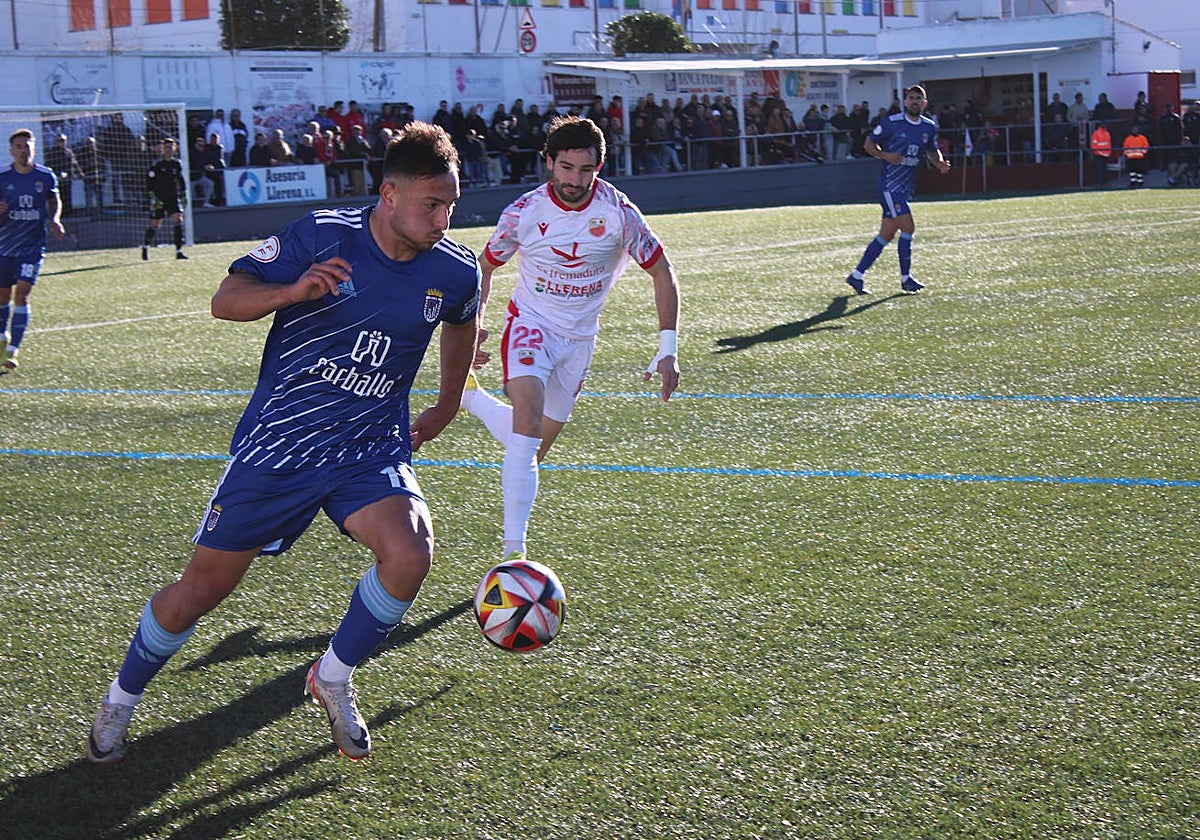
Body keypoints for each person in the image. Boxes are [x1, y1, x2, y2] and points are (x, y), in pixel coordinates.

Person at [85, 121, 480, 764]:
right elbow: (226, 299)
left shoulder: (455, 270)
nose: (443, 219)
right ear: (389, 195)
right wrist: (292, 292)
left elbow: (463, 323)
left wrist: (445, 400)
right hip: (283, 446)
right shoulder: (321, 234)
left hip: (367, 449)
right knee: (201, 591)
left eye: (450, 206)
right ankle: (122, 697)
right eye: (431, 205)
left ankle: (332, 675)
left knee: (410, 552)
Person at [459, 115, 680, 561]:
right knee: (527, 418)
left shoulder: (619, 214)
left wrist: (667, 348)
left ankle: (475, 402)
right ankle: (512, 557)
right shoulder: (523, 213)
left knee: (533, 444)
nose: (575, 179)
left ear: (600, 165)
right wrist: (476, 321)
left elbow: (662, 271)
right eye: (566, 168)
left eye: (586, 169)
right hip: (530, 326)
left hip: (580, 341)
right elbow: (485, 265)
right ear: (548, 162)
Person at [844, 85, 950, 296]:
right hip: (890, 187)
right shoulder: (892, 123)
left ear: (925, 103)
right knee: (908, 227)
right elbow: (868, 144)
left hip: (905, 187)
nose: (914, 101)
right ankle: (906, 279)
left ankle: (856, 276)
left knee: (886, 234)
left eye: (918, 99)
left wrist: (939, 163)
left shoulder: (928, 127)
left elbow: (931, 149)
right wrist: (886, 156)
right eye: (911, 98)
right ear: (904, 102)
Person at [0, 129, 66, 373]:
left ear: (33, 149)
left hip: (32, 247)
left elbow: (54, 200)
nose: (22, 150)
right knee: (3, 296)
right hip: (4, 246)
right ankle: (2, 336)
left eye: (27, 146)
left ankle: (13, 349)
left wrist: (55, 219)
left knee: (23, 295)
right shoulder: (2, 177)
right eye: (18, 146)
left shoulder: (45, 176)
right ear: (11, 150)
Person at [142, 137, 188, 260]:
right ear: (163, 149)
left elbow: (180, 179)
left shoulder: (176, 164)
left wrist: (184, 194)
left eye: (171, 147)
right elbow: (149, 181)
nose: (169, 150)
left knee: (178, 220)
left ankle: (179, 251)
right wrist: (152, 197)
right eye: (166, 147)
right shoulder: (157, 164)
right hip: (159, 198)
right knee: (155, 224)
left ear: (175, 149)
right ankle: (145, 246)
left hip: (173, 197)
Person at [44, 134, 81, 217]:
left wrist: (79, 173)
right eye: (59, 141)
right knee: (57, 197)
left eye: (63, 141)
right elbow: (48, 166)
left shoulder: (69, 152)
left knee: (67, 196)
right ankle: (58, 214)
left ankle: (69, 213)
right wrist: (56, 175)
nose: (62, 143)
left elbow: (74, 164)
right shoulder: (52, 153)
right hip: (56, 179)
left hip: (67, 179)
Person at [1122, 123, 1149, 187]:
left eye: (1136, 130)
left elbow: (1146, 146)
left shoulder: (1143, 138)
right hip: (1131, 157)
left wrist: (1142, 152)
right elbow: (1125, 147)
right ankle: (1133, 182)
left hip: (1140, 157)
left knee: (1139, 171)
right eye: (1134, 130)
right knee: (1132, 171)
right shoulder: (1128, 139)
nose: (1135, 131)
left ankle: (1140, 182)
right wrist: (1127, 154)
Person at [1090, 121, 1113, 186]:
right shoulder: (1096, 133)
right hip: (1099, 154)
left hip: (1105, 153)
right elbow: (1094, 144)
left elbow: (1109, 143)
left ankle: (1104, 182)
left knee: (1104, 169)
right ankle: (1099, 182)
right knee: (1099, 169)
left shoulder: (1107, 133)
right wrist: (1097, 151)